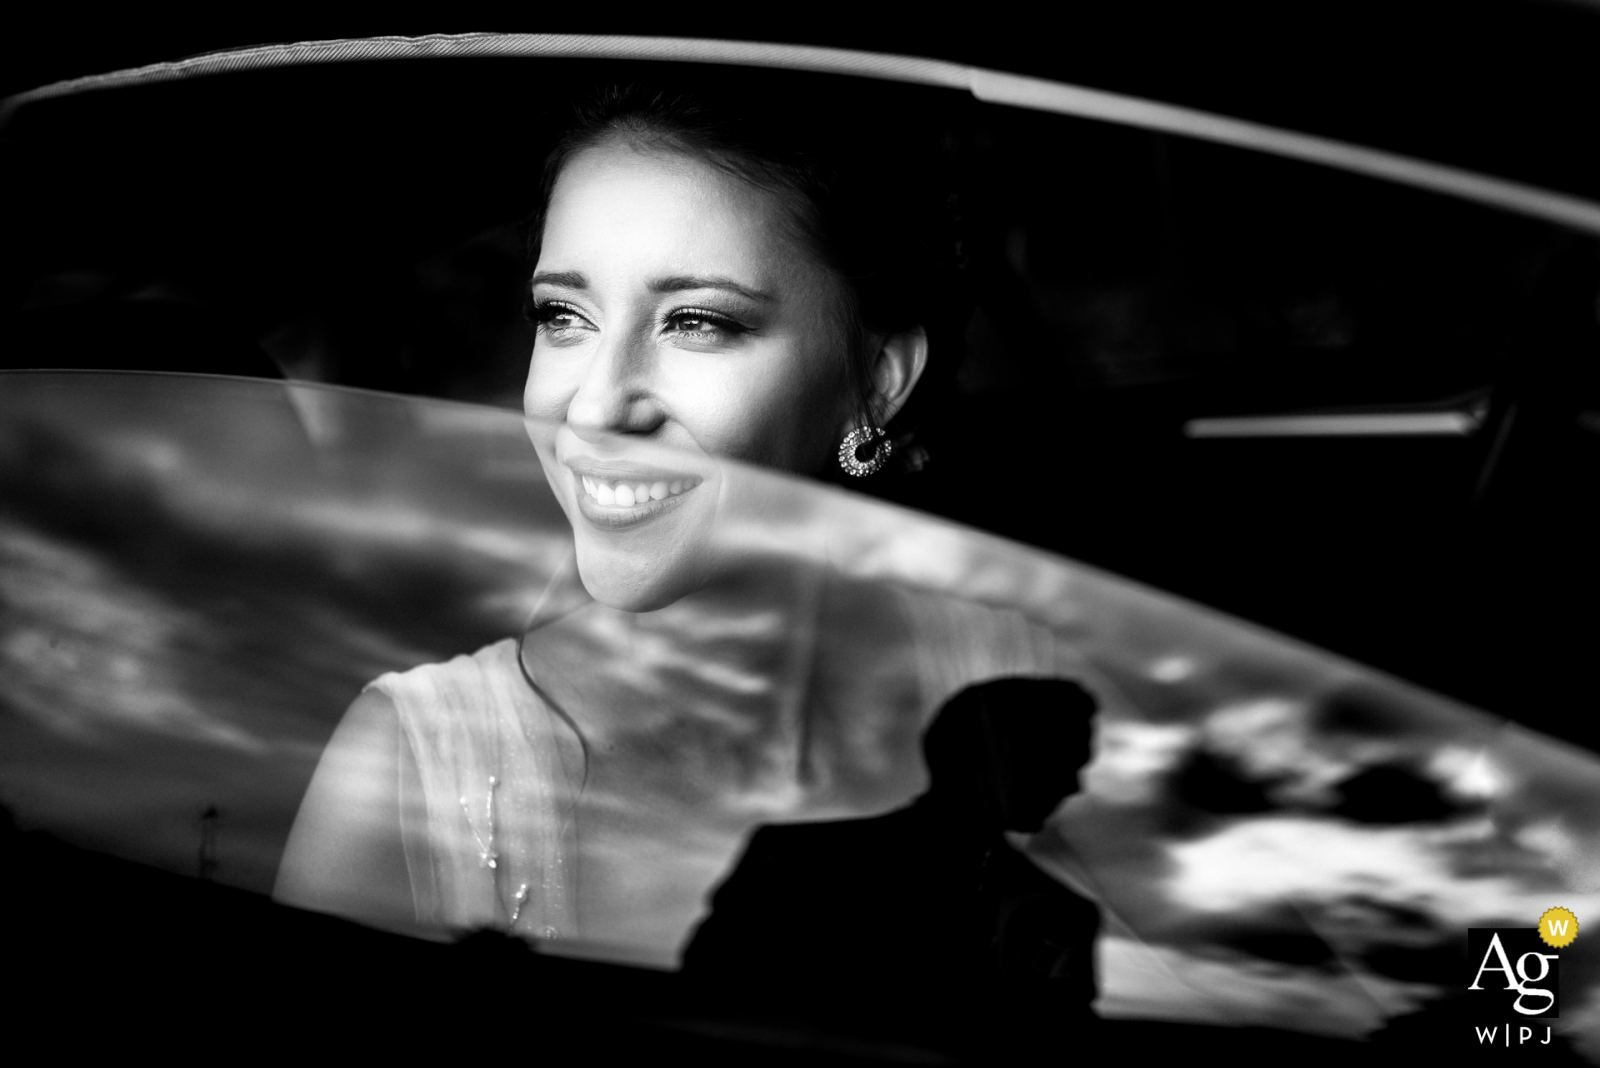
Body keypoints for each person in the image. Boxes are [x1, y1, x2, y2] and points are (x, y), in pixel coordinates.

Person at [274, 81, 1095, 965]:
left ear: (878, 378)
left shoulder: (1010, 686)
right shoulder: (409, 768)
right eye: (564, 316)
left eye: (696, 321)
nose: (592, 407)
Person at [680, 676, 1100, 1057]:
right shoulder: (1059, 914)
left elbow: (702, 994)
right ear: (998, 756)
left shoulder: (791, 855)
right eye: (1061, 760)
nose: (1074, 786)